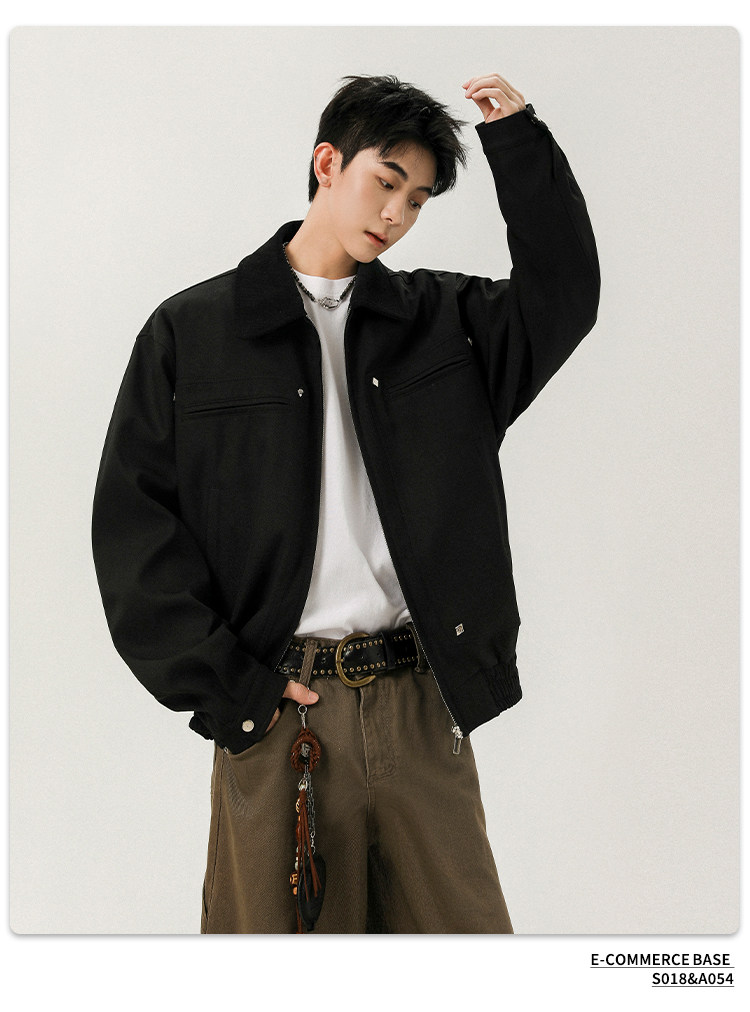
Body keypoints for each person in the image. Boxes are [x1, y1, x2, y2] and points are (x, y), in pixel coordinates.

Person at [91, 71, 599, 933]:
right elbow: (134, 531)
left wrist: (517, 143)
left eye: (418, 200)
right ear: (328, 163)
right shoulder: (194, 332)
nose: (396, 214)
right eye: (385, 181)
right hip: (281, 718)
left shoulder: (445, 325)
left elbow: (564, 295)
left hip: (421, 706)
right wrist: (234, 690)